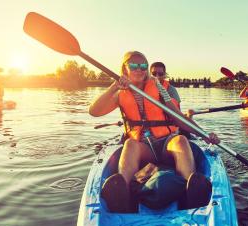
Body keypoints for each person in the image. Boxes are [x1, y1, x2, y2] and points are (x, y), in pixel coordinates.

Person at [89, 51, 219, 213]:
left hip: (166, 143)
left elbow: (179, 117)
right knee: (129, 144)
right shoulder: (119, 93)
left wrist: (204, 135)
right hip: (143, 148)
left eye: (143, 65)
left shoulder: (158, 87)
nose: (139, 69)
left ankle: (189, 188)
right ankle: (123, 191)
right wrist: (113, 86)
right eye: (134, 65)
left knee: (181, 141)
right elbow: (94, 111)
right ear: (125, 69)